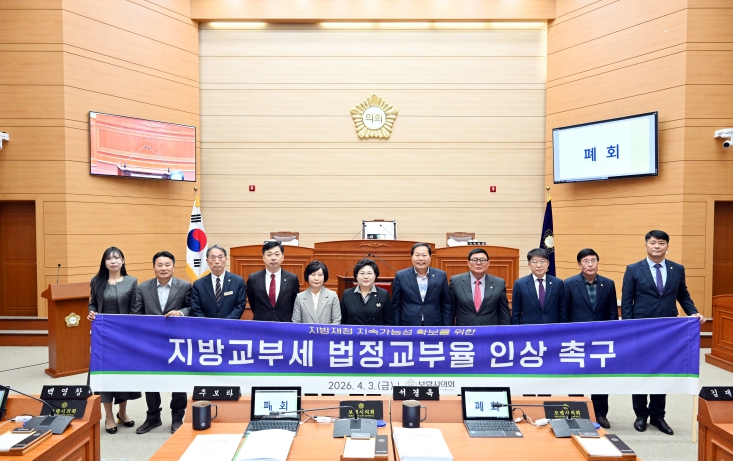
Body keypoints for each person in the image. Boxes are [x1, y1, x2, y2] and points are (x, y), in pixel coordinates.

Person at [621, 230, 706, 435]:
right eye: (653, 243)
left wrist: (693, 312)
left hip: (668, 331)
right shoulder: (633, 269)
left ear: (667, 246)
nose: (657, 246)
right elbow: (627, 301)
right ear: (646, 246)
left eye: (661, 243)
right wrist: (629, 328)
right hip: (641, 329)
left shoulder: (677, 269)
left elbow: (683, 295)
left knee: (662, 371)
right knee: (641, 371)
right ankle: (641, 415)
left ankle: (658, 416)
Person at [131, 251, 191, 434]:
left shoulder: (185, 286)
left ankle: (177, 418)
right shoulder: (143, 287)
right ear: (154, 267)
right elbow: (137, 314)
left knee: (178, 380)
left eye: (167, 264)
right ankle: (153, 417)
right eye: (159, 265)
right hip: (151, 342)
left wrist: (181, 313)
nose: (163, 268)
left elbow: (191, 308)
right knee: (151, 379)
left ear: (173, 266)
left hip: (176, 341)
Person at [86, 246, 141, 434]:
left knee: (123, 374)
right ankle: (109, 416)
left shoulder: (132, 281)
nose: (113, 261)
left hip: (124, 336)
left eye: (117, 257)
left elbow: (136, 308)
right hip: (103, 336)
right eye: (109, 258)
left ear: (123, 261)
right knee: (105, 375)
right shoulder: (96, 281)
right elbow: (92, 304)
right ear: (105, 262)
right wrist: (91, 313)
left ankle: (122, 413)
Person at [564, 248, 618, 429]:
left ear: (597, 263)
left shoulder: (608, 284)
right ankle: (576, 413)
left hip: (601, 340)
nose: (590, 264)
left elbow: (612, 312)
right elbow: (564, 313)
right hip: (577, 340)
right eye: (586, 261)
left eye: (593, 260)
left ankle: (600, 414)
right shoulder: (569, 284)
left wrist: (612, 336)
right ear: (579, 265)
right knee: (576, 377)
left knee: (600, 377)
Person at [392, 243, 452, 326]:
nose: (420, 259)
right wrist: (396, 328)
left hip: (434, 324)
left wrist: (447, 327)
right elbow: (395, 305)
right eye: (417, 255)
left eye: (424, 255)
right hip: (408, 324)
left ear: (430, 257)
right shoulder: (401, 276)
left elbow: (446, 304)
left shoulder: (440, 275)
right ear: (411, 256)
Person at [449, 248, 510, 326]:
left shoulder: (499, 283)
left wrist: (506, 331)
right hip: (465, 330)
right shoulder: (456, 282)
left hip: (490, 330)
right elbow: (450, 312)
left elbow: (504, 314)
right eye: (475, 260)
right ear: (468, 263)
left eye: (482, 260)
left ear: (488, 263)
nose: (479, 263)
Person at [246, 241, 300, 322]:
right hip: (261, 324)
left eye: (277, 254)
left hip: (284, 324)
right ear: (263, 258)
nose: (273, 258)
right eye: (269, 254)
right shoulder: (253, 278)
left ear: (283, 257)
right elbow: (252, 301)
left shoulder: (292, 279)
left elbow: (294, 302)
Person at [511, 248, 567, 325]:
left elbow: (563, 310)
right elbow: (515, 312)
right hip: (529, 328)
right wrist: (517, 330)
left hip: (552, 327)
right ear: (529, 264)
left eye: (542, 261)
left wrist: (562, 329)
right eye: (535, 262)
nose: (539, 265)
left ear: (548, 264)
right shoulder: (520, 284)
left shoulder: (558, 283)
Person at [191, 245, 246, 319]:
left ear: (226, 259)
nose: (217, 262)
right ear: (207, 261)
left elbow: (240, 305)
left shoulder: (238, 281)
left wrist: (225, 323)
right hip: (207, 325)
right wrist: (208, 323)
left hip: (230, 324)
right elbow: (196, 309)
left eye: (220, 257)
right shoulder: (198, 284)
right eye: (213, 258)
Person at [341, 258, 393, 325]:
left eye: (369, 273)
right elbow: (342, 321)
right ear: (356, 276)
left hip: (374, 332)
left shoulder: (383, 294)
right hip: (355, 332)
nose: (366, 277)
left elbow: (389, 322)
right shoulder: (347, 294)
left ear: (375, 275)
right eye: (362, 273)